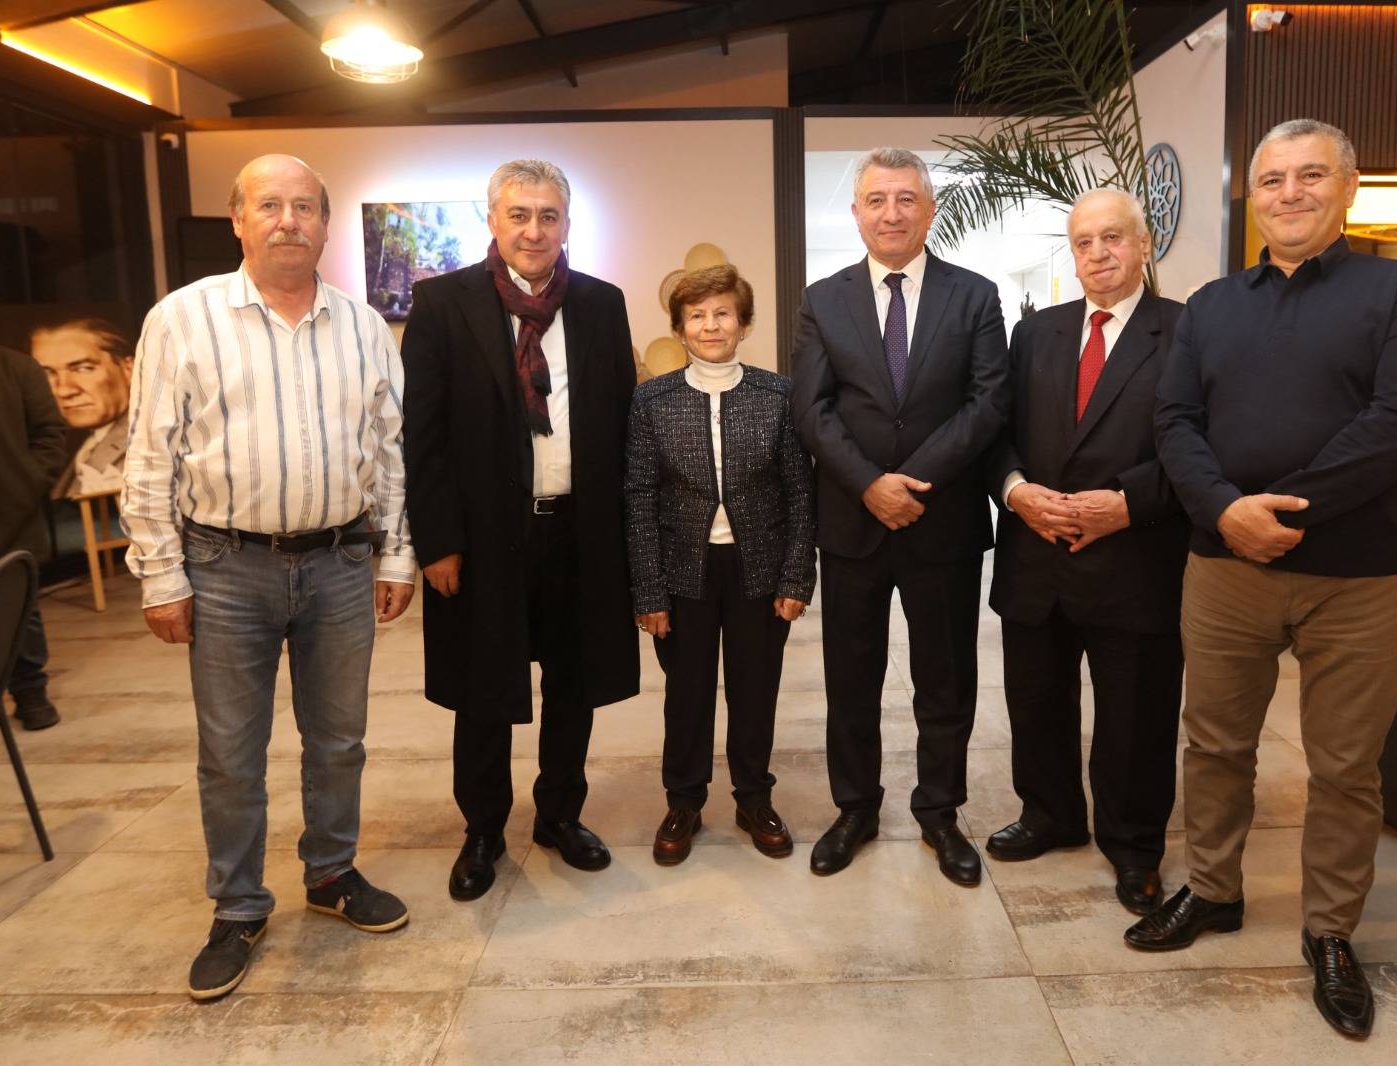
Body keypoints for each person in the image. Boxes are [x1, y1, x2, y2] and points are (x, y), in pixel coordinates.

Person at [1140, 119, 1397, 1039]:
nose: (1290, 193)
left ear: (1347, 188)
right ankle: (1213, 890)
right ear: (1255, 197)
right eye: (1273, 178)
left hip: (1357, 577)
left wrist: (1283, 510)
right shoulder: (1210, 306)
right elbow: (1173, 420)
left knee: (1346, 765)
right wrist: (1224, 510)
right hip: (1225, 567)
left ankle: (1330, 931)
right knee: (1214, 743)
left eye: (1311, 175)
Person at [120, 154, 416, 1002]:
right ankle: (239, 906)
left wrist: (395, 552)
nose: (289, 220)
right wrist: (161, 576)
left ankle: (331, 874)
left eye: (304, 207)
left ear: (325, 223)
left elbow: (389, 452)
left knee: (339, 739)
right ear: (238, 220)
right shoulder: (182, 319)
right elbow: (150, 455)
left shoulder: (363, 327)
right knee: (229, 754)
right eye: (270, 205)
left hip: (340, 563)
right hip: (223, 568)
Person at [401, 159, 639, 902]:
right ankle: (482, 830)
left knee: (575, 683)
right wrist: (437, 541)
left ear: (566, 224)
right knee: (484, 688)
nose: (534, 230)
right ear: (493, 220)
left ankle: (560, 815)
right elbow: (423, 436)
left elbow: (622, 424)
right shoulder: (443, 303)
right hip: (482, 541)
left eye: (548, 216)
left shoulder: (601, 304)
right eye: (519, 215)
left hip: (579, 530)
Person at [790, 147, 1008, 886]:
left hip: (942, 522)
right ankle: (854, 809)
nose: (892, 213)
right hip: (853, 523)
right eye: (877, 200)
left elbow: (988, 402)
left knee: (945, 678)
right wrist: (869, 485)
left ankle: (940, 812)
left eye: (906, 199)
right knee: (851, 678)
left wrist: (912, 483)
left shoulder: (974, 296)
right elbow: (812, 409)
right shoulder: (823, 300)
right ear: (856, 214)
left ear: (930, 210)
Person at [985, 188, 1188, 915]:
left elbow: (1204, 444)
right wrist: (1015, 490)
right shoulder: (1034, 333)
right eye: (1083, 242)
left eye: (1112, 238)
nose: (1098, 254)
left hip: (1136, 558)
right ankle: (1050, 814)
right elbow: (994, 431)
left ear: (1144, 244)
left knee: (1135, 715)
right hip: (1036, 553)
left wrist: (1128, 503)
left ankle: (1133, 846)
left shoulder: (1186, 331)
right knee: (1035, 700)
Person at [624, 265, 816, 865]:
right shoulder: (652, 399)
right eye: (697, 316)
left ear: (744, 323)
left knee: (755, 689)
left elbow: (800, 492)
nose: (711, 326)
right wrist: (648, 591)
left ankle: (754, 797)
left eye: (723, 313)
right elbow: (639, 496)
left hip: (759, 570)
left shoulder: (777, 395)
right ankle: (684, 801)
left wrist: (796, 576)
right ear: (680, 328)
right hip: (683, 572)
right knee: (687, 693)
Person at [0, 341, 70, 730]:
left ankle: (31, 695)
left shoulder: (17, 368)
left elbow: (50, 434)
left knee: (20, 610)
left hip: (12, 516)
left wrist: (24, 485)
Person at [29, 319, 134, 496]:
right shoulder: (78, 445)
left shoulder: (150, 442)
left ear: (128, 369)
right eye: (46, 374)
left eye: (83, 369)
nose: (64, 390)